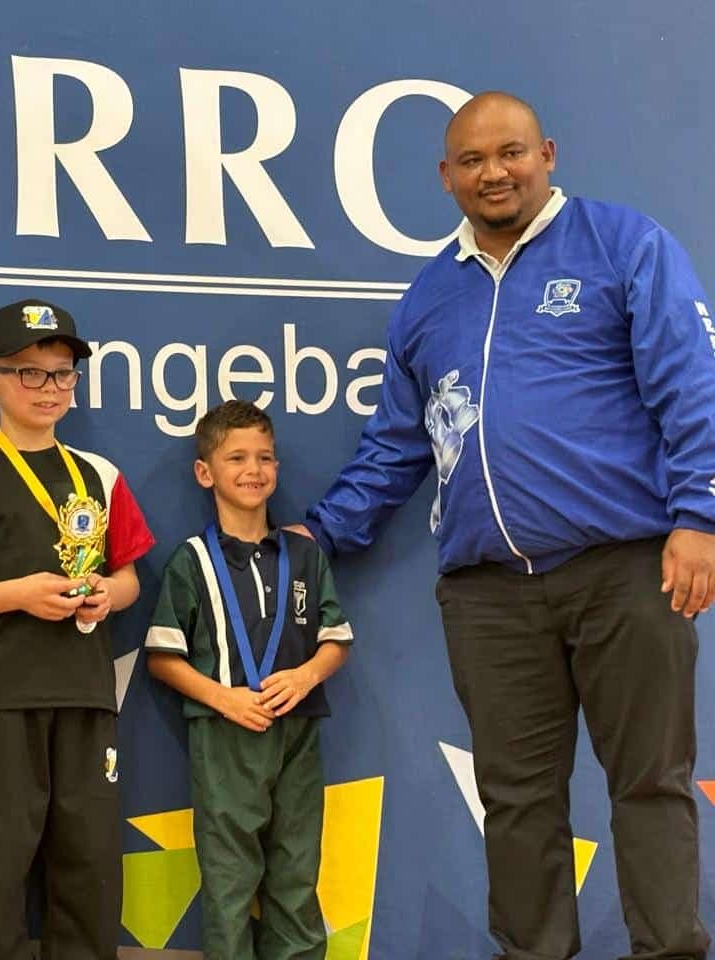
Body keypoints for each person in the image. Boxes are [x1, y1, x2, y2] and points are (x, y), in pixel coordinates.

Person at [298, 91, 713, 959]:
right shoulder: (429, 296)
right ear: (445, 176)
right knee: (517, 801)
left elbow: (694, 387)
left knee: (650, 785)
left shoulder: (623, 245)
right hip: (489, 597)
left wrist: (701, 516)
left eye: (511, 152)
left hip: (626, 571)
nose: (494, 172)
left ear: (547, 154)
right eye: (474, 160)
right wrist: (322, 535)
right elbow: (397, 444)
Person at [0, 299, 154, 960]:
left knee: (89, 864)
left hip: (86, 694)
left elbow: (130, 578)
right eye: (30, 373)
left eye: (62, 374)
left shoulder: (100, 475)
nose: (49, 388)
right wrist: (19, 594)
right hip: (2, 697)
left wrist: (107, 594)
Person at [145, 400, 352, 960]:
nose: (253, 469)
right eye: (236, 458)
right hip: (225, 735)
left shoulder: (304, 554)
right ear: (205, 472)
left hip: (297, 729)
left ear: (277, 467)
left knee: (297, 871)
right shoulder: (191, 561)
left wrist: (305, 677)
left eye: (264, 457)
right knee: (230, 881)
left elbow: (337, 639)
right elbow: (162, 656)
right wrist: (223, 699)